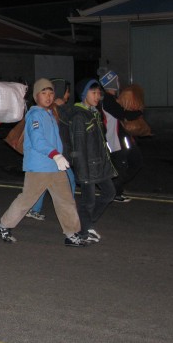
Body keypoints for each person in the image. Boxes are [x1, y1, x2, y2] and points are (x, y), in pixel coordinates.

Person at [0, 78, 86, 247]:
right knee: (27, 200)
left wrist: (60, 156)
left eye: (51, 93)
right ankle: (4, 225)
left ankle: (72, 233)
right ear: (36, 97)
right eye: (44, 93)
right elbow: (38, 141)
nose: (49, 96)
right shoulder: (35, 115)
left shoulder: (50, 114)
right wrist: (55, 155)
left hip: (55, 166)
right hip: (39, 167)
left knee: (65, 200)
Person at [71, 78, 117, 243]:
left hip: (100, 164)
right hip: (87, 166)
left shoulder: (94, 113)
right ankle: (84, 230)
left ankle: (88, 224)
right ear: (84, 94)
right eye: (93, 92)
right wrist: (82, 171)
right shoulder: (79, 115)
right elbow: (78, 146)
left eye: (99, 93)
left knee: (109, 193)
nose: (97, 96)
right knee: (88, 202)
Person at [25, 79, 76, 221]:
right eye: (67, 91)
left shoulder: (51, 109)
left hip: (55, 154)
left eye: (50, 93)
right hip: (51, 155)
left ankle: (35, 209)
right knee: (68, 180)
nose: (68, 95)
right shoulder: (50, 111)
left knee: (43, 185)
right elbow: (40, 138)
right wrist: (56, 154)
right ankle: (69, 212)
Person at [99, 70, 143, 202]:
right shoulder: (108, 100)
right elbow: (122, 114)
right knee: (122, 166)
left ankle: (115, 188)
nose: (119, 83)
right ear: (112, 83)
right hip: (115, 140)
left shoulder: (113, 99)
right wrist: (138, 113)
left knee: (135, 161)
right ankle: (114, 190)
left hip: (123, 139)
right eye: (116, 81)